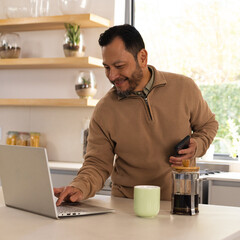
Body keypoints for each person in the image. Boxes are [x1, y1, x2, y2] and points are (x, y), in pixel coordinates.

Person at [54, 24, 218, 206]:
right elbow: (97, 164)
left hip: (177, 202)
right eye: (107, 67)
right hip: (126, 206)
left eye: (119, 66)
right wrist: (79, 187)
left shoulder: (184, 88)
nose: (112, 75)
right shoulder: (105, 109)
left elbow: (208, 125)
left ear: (142, 57)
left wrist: (198, 145)